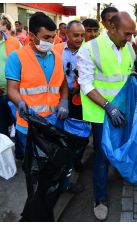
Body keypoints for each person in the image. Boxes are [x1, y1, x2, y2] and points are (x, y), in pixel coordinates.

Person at [77, 11, 136, 221]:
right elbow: (85, 84)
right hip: (102, 114)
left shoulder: (128, 46)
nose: (130, 39)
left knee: (119, 148)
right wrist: (108, 106)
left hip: (122, 112)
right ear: (111, 27)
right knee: (101, 157)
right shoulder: (88, 49)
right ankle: (100, 199)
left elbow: (127, 72)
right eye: (127, 34)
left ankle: (120, 174)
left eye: (132, 34)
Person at [5, 12, 69, 160]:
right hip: (29, 125)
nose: (51, 41)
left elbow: (63, 82)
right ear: (32, 36)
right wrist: (20, 103)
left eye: (53, 36)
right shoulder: (17, 57)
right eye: (46, 37)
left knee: (50, 165)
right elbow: (12, 89)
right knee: (32, 167)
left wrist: (64, 101)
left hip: (53, 123)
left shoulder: (57, 57)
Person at [52, 20, 86, 192]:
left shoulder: (88, 52)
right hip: (60, 103)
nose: (80, 38)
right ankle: (62, 181)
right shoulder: (55, 50)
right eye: (76, 35)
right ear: (66, 35)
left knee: (78, 140)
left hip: (81, 104)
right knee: (61, 141)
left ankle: (74, 162)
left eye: (82, 35)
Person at [0, 14, 21, 135]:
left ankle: (19, 153)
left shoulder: (14, 42)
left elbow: (22, 65)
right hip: (0, 96)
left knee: (19, 126)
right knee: (2, 131)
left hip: (15, 94)